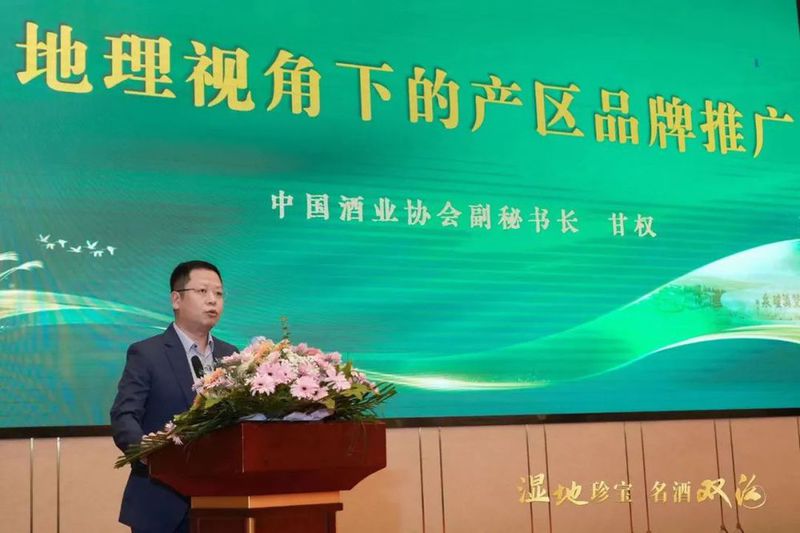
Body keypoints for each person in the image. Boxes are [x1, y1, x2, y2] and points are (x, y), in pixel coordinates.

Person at [110, 261, 238, 533]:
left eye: (218, 293)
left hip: (221, 503)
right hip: (161, 503)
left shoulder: (231, 356)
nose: (212, 300)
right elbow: (124, 416)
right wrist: (149, 453)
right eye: (202, 291)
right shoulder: (147, 353)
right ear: (176, 299)